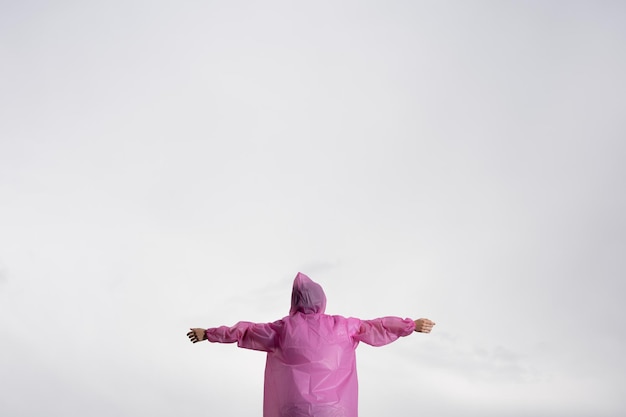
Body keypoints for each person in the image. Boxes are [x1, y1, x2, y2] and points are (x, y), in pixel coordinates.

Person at [187, 272, 435, 417]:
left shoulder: (282, 329)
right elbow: (376, 327)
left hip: (293, 410)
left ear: (294, 301)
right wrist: (409, 325)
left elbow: (244, 332)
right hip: (333, 411)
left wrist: (208, 333)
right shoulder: (342, 326)